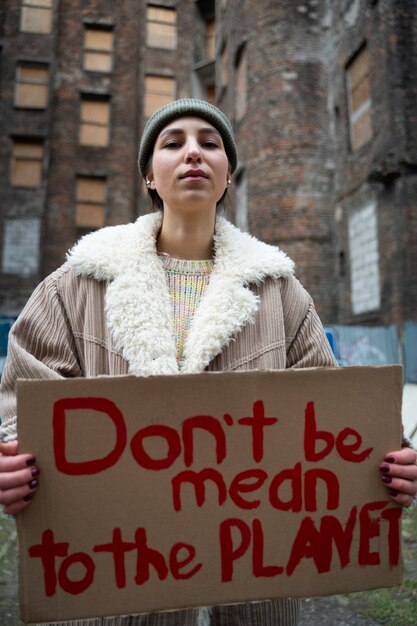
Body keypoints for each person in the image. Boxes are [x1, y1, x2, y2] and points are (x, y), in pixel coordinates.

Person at [0, 99, 416, 626]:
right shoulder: (75, 285)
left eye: (210, 143)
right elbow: (22, 400)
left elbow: (334, 419)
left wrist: (391, 463)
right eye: (173, 143)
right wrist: (13, 459)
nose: (193, 152)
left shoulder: (281, 293)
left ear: (226, 176)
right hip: (114, 574)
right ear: (150, 176)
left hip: (254, 579)